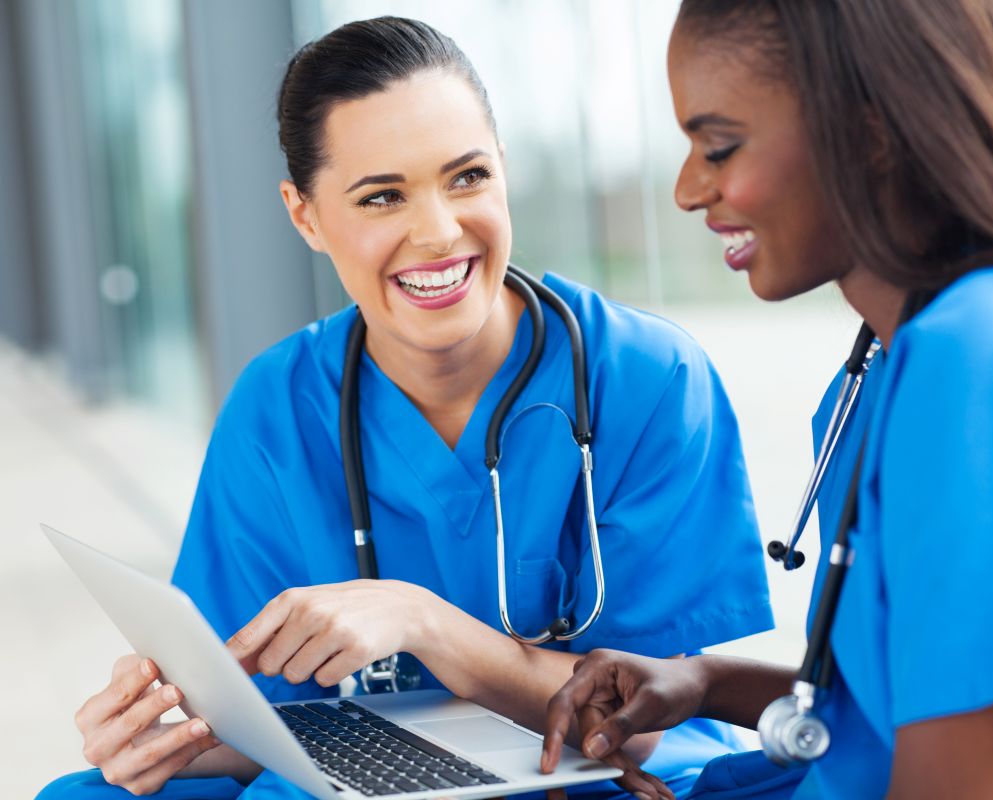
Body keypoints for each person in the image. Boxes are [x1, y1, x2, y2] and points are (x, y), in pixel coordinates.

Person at [37, 17, 774, 800]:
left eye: (467, 178)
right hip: (378, 769)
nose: (439, 231)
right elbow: (258, 716)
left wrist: (421, 621)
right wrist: (168, 738)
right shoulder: (279, 407)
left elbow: (649, 717)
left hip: (601, 771)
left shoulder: (645, 377)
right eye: (383, 197)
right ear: (305, 215)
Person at [540, 1, 993, 798]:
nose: (687, 189)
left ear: (870, 130)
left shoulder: (986, 357)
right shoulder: (898, 360)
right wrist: (706, 681)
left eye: (718, 146)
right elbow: (907, 709)